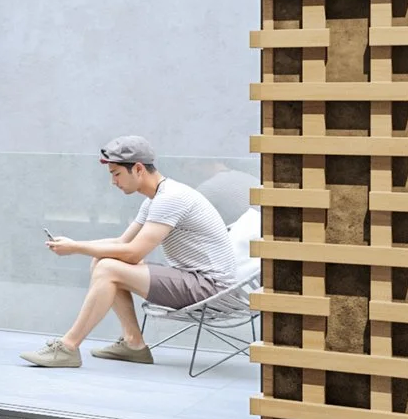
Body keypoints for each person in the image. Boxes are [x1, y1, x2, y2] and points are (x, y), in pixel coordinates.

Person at [22, 140, 244, 367]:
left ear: (138, 169)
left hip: (210, 287)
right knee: (101, 261)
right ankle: (133, 343)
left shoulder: (170, 199)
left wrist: (76, 248)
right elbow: (121, 243)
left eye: (116, 174)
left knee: (109, 268)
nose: (113, 181)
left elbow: (133, 254)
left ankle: (68, 347)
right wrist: (75, 244)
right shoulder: (156, 199)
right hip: (196, 280)